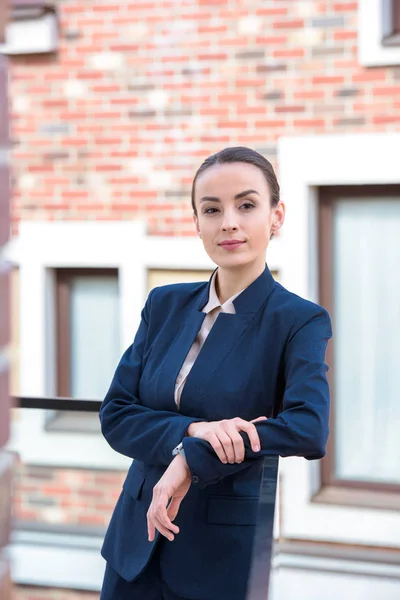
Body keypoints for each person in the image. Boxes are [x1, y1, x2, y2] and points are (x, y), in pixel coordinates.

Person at [99, 146, 332, 600]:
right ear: (197, 222)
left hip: (219, 558)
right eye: (211, 209)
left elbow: (307, 427)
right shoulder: (164, 304)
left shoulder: (298, 320)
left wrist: (192, 457)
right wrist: (193, 430)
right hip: (136, 542)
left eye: (246, 205)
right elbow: (116, 414)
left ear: (276, 215)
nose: (228, 221)